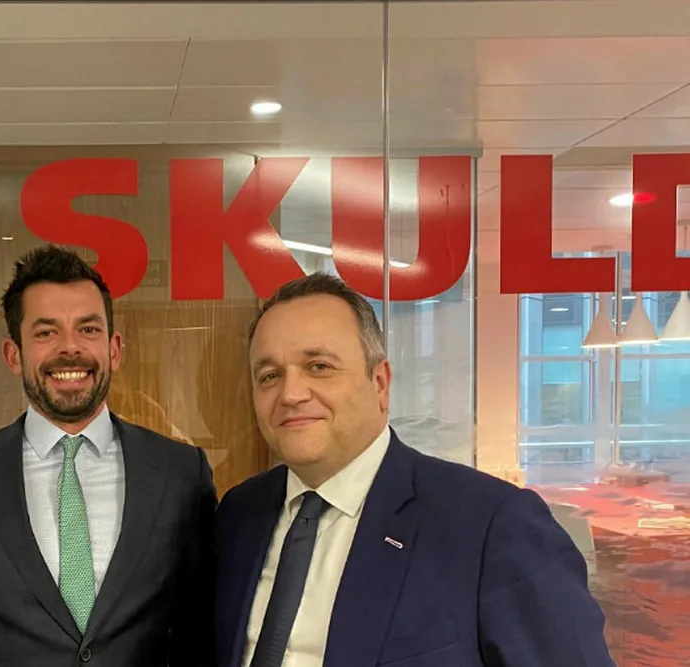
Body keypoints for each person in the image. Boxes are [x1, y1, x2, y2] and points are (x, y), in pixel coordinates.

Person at [214, 272, 615, 667]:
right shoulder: (239, 516)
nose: (290, 394)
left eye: (319, 366)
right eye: (269, 376)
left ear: (380, 383)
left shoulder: (491, 524)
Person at [0, 245, 217, 667]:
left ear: (114, 349)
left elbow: (199, 639)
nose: (70, 348)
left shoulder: (181, 474)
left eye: (88, 329)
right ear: (13, 355)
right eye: (46, 332)